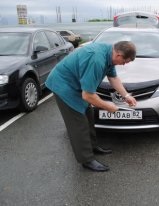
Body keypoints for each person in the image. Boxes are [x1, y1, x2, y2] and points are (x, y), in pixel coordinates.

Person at [45, 41, 137, 172]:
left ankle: (93, 147)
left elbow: (113, 78)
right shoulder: (96, 60)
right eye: (124, 62)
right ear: (118, 54)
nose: (124, 65)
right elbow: (88, 96)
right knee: (79, 124)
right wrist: (108, 107)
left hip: (78, 86)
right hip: (64, 86)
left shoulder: (109, 54)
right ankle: (86, 160)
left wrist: (126, 96)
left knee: (89, 116)